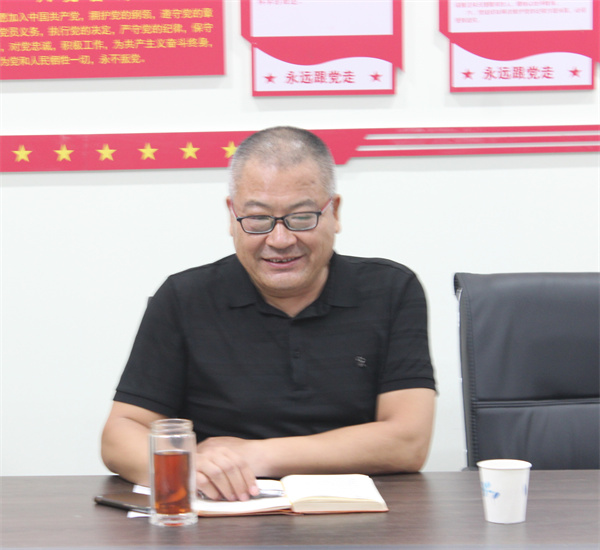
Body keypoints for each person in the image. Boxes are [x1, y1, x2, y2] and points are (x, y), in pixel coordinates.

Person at [101, 126, 436, 503]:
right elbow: (120, 434)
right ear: (232, 216)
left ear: (335, 212)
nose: (280, 240)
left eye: (302, 217)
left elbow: (408, 442)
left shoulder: (390, 290)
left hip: (357, 514)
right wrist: (190, 467)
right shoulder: (183, 298)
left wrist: (253, 455)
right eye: (258, 219)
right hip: (225, 512)